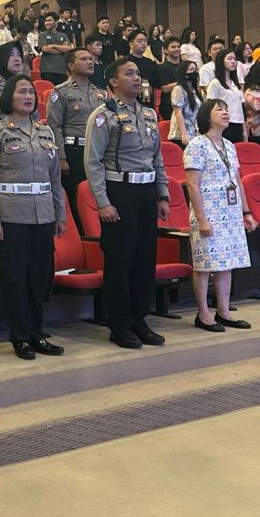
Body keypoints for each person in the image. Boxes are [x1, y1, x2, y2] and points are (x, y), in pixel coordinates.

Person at [84, 58, 171, 350]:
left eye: (138, 73)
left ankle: (139, 318)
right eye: (129, 73)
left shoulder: (148, 114)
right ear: (113, 81)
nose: (137, 78)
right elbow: (93, 162)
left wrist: (163, 195)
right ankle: (119, 323)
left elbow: (157, 158)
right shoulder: (103, 115)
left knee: (144, 259)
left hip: (146, 192)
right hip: (119, 191)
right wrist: (103, 202)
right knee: (120, 260)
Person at [0, 74, 67, 360]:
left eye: (31, 92)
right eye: (22, 92)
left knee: (39, 277)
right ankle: (20, 336)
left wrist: (60, 214)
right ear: (9, 97)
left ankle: (37, 332)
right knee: (15, 279)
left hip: (43, 214)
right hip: (12, 215)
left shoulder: (45, 132)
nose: (28, 96)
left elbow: (55, 178)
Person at [185, 99, 256, 333]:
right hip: (208, 212)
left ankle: (224, 311)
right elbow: (192, 185)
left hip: (230, 212)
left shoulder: (229, 145)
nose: (226, 112)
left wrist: (246, 212)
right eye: (219, 109)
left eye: (226, 109)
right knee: (205, 265)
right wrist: (202, 219)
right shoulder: (197, 144)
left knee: (227, 263)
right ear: (207, 116)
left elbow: (237, 181)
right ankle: (203, 314)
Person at [47, 47, 105, 223]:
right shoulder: (60, 92)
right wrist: (61, 157)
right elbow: (54, 126)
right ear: (71, 66)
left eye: (90, 59)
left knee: (96, 195)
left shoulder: (99, 92)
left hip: (97, 151)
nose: (90, 62)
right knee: (75, 197)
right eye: (84, 59)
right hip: (73, 150)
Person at [205, 49, 245, 143]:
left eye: (235, 59)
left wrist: (244, 129)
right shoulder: (215, 83)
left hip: (238, 124)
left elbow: (240, 108)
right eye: (229, 59)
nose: (233, 61)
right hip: (223, 124)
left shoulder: (236, 84)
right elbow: (210, 107)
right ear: (221, 61)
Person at [169, 61, 202, 148]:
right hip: (181, 134)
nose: (195, 72)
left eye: (196, 69)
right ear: (184, 73)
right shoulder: (178, 89)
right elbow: (178, 113)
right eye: (191, 69)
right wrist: (183, 133)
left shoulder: (195, 91)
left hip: (194, 132)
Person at [36, 13, 70, 86]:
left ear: (56, 22)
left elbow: (68, 49)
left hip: (62, 70)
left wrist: (53, 46)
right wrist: (61, 49)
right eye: (46, 21)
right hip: (47, 70)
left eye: (49, 20)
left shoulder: (63, 35)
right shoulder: (42, 35)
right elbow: (45, 49)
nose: (47, 23)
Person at [156, 37, 184, 121]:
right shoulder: (162, 67)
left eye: (178, 46)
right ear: (166, 50)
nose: (177, 49)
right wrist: (182, 82)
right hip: (169, 106)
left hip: (185, 104)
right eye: (173, 47)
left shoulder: (185, 66)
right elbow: (165, 88)